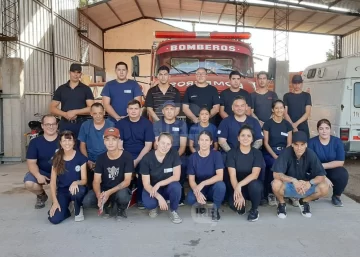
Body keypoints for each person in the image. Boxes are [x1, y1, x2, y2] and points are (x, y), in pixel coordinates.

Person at [271, 131, 329, 219]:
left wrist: (309, 183)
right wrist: (293, 180)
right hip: (289, 185)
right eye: (296, 145)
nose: (299, 148)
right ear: (292, 145)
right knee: (275, 184)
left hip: (305, 186)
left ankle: (304, 201)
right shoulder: (286, 153)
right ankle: (282, 204)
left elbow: (321, 175)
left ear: (306, 145)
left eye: (302, 145)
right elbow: (276, 174)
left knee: (325, 187)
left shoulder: (311, 154)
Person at [116, 99, 154, 209]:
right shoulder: (120, 124)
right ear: (127, 110)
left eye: (136, 109)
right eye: (131, 109)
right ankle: (121, 197)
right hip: (124, 154)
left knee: (143, 169)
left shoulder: (147, 124)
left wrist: (136, 161)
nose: (133, 111)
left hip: (142, 155)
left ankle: (140, 199)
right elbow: (119, 144)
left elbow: (148, 146)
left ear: (140, 110)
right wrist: (128, 160)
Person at [90, 127, 133, 220]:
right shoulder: (101, 158)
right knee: (87, 201)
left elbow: (127, 181)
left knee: (123, 195)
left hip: (120, 189)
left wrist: (109, 192)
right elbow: (96, 181)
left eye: (114, 139)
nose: (110, 143)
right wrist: (99, 196)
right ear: (104, 141)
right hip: (105, 188)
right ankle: (107, 205)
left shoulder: (127, 156)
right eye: (107, 139)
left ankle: (121, 208)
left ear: (119, 141)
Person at [140, 133, 183, 224]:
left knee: (176, 186)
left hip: (168, 187)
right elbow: (146, 184)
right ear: (157, 142)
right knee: (150, 204)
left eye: (168, 144)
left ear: (171, 145)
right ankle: (154, 207)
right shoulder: (147, 158)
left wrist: (159, 183)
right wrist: (159, 197)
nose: (165, 146)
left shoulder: (174, 154)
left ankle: (173, 210)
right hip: (152, 188)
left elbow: (176, 176)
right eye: (163, 143)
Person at [48, 131, 88, 224]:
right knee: (54, 219)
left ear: (74, 142)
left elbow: (84, 180)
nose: (67, 143)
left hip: (77, 189)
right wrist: (55, 201)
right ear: (60, 143)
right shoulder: (56, 158)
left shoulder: (80, 157)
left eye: (69, 140)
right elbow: (53, 182)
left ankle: (78, 207)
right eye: (64, 141)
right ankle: (66, 210)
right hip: (63, 191)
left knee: (78, 192)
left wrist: (76, 182)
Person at [226, 125, 264, 222]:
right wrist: (238, 192)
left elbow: (255, 174)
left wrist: (239, 185)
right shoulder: (231, 153)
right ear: (238, 138)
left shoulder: (257, 153)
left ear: (252, 139)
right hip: (236, 187)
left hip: (252, 187)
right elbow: (232, 175)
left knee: (255, 184)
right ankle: (241, 205)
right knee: (236, 207)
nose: (245, 138)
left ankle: (254, 210)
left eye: (248, 136)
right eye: (243, 135)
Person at [153, 100, 187, 204]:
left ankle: (179, 196)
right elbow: (156, 144)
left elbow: (183, 146)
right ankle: (158, 193)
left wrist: (173, 159)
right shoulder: (157, 124)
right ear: (163, 111)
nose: (169, 111)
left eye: (171, 109)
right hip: (161, 154)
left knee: (184, 164)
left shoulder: (182, 124)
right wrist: (163, 157)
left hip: (177, 154)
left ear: (175, 111)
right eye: (166, 109)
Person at [308, 119, 349, 207]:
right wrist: (323, 176)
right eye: (321, 128)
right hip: (315, 169)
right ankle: (315, 193)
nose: (324, 131)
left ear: (330, 129)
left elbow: (340, 162)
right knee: (307, 172)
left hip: (331, 168)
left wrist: (322, 166)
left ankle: (336, 196)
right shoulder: (311, 142)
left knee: (343, 174)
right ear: (317, 130)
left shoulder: (337, 141)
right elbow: (310, 163)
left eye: (327, 128)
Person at [186, 131, 226, 221]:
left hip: (213, 187)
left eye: (207, 140)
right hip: (200, 188)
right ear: (198, 142)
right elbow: (191, 180)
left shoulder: (216, 155)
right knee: (190, 199)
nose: (204, 142)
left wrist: (203, 183)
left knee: (221, 186)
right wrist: (197, 192)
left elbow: (220, 176)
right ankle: (201, 205)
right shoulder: (193, 157)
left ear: (211, 142)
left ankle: (215, 209)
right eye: (202, 140)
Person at [49, 63, 94, 138]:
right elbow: (52, 108)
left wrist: (75, 112)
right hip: (65, 123)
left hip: (82, 123)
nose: (75, 74)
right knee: (65, 147)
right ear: (69, 72)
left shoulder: (86, 89)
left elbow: (91, 108)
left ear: (81, 74)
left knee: (82, 147)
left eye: (78, 72)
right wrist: (65, 114)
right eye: (73, 72)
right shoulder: (61, 89)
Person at [24, 114, 59, 209]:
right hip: (42, 172)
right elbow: (31, 163)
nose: (51, 127)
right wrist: (38, 175)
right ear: (42, 126)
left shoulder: (64, 140)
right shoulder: (35, 142)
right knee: (29, 183)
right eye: (48, 124)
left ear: (57, 125)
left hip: (61, 173)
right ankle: (41, 195)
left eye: (53, 124)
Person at [262, 100, 292, 206]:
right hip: (270, 152)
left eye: (281, 108)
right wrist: (275, 156)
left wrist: (283, 156)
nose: (279, 110)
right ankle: (271, 193)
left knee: (291, 165)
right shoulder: (268, 124)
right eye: (277, 108)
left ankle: (289, 193)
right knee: (273, 165)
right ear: (272, 110)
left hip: (285, 152)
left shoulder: (287, 124)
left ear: (284, 109)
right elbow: (265, 142)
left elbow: (289, 143)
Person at [78, 103, 114, 190]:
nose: (98, 116)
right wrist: (87, 161)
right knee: (90, 187)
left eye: (100, 113)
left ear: (104, 112)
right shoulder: (85, 125)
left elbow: (114, 146)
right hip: (90, 161)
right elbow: (82, 146)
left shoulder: (110, 125)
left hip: (107, 160)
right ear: (91, 113)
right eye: (95, 113)